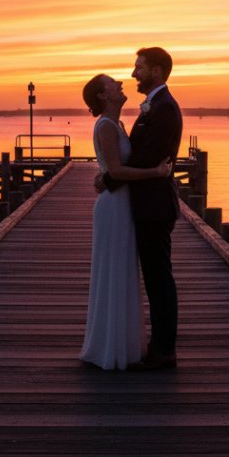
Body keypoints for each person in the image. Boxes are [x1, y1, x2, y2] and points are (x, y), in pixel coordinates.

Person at [80, 74, 173, 370]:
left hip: (124, 205)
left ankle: (124, 344)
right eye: (111, 83)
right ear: (102, 96)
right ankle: (110, 347)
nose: (120, 82)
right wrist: (156, 173)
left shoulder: (118, 124)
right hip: (113, 206)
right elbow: (117, 172)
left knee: (122, 272)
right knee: (114, 271)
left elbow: (114, 170)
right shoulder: (106, 126)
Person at [101, 47, 183, 371]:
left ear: (157, 72)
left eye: (140, 68)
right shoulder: (155, 106)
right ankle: (160, 346)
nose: (134, 74)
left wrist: (109, 177)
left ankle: (165, 350)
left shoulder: (164, 109)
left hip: (155, 206)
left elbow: (148, 159)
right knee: (155, 278)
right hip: (146, 204)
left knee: (159, 278)